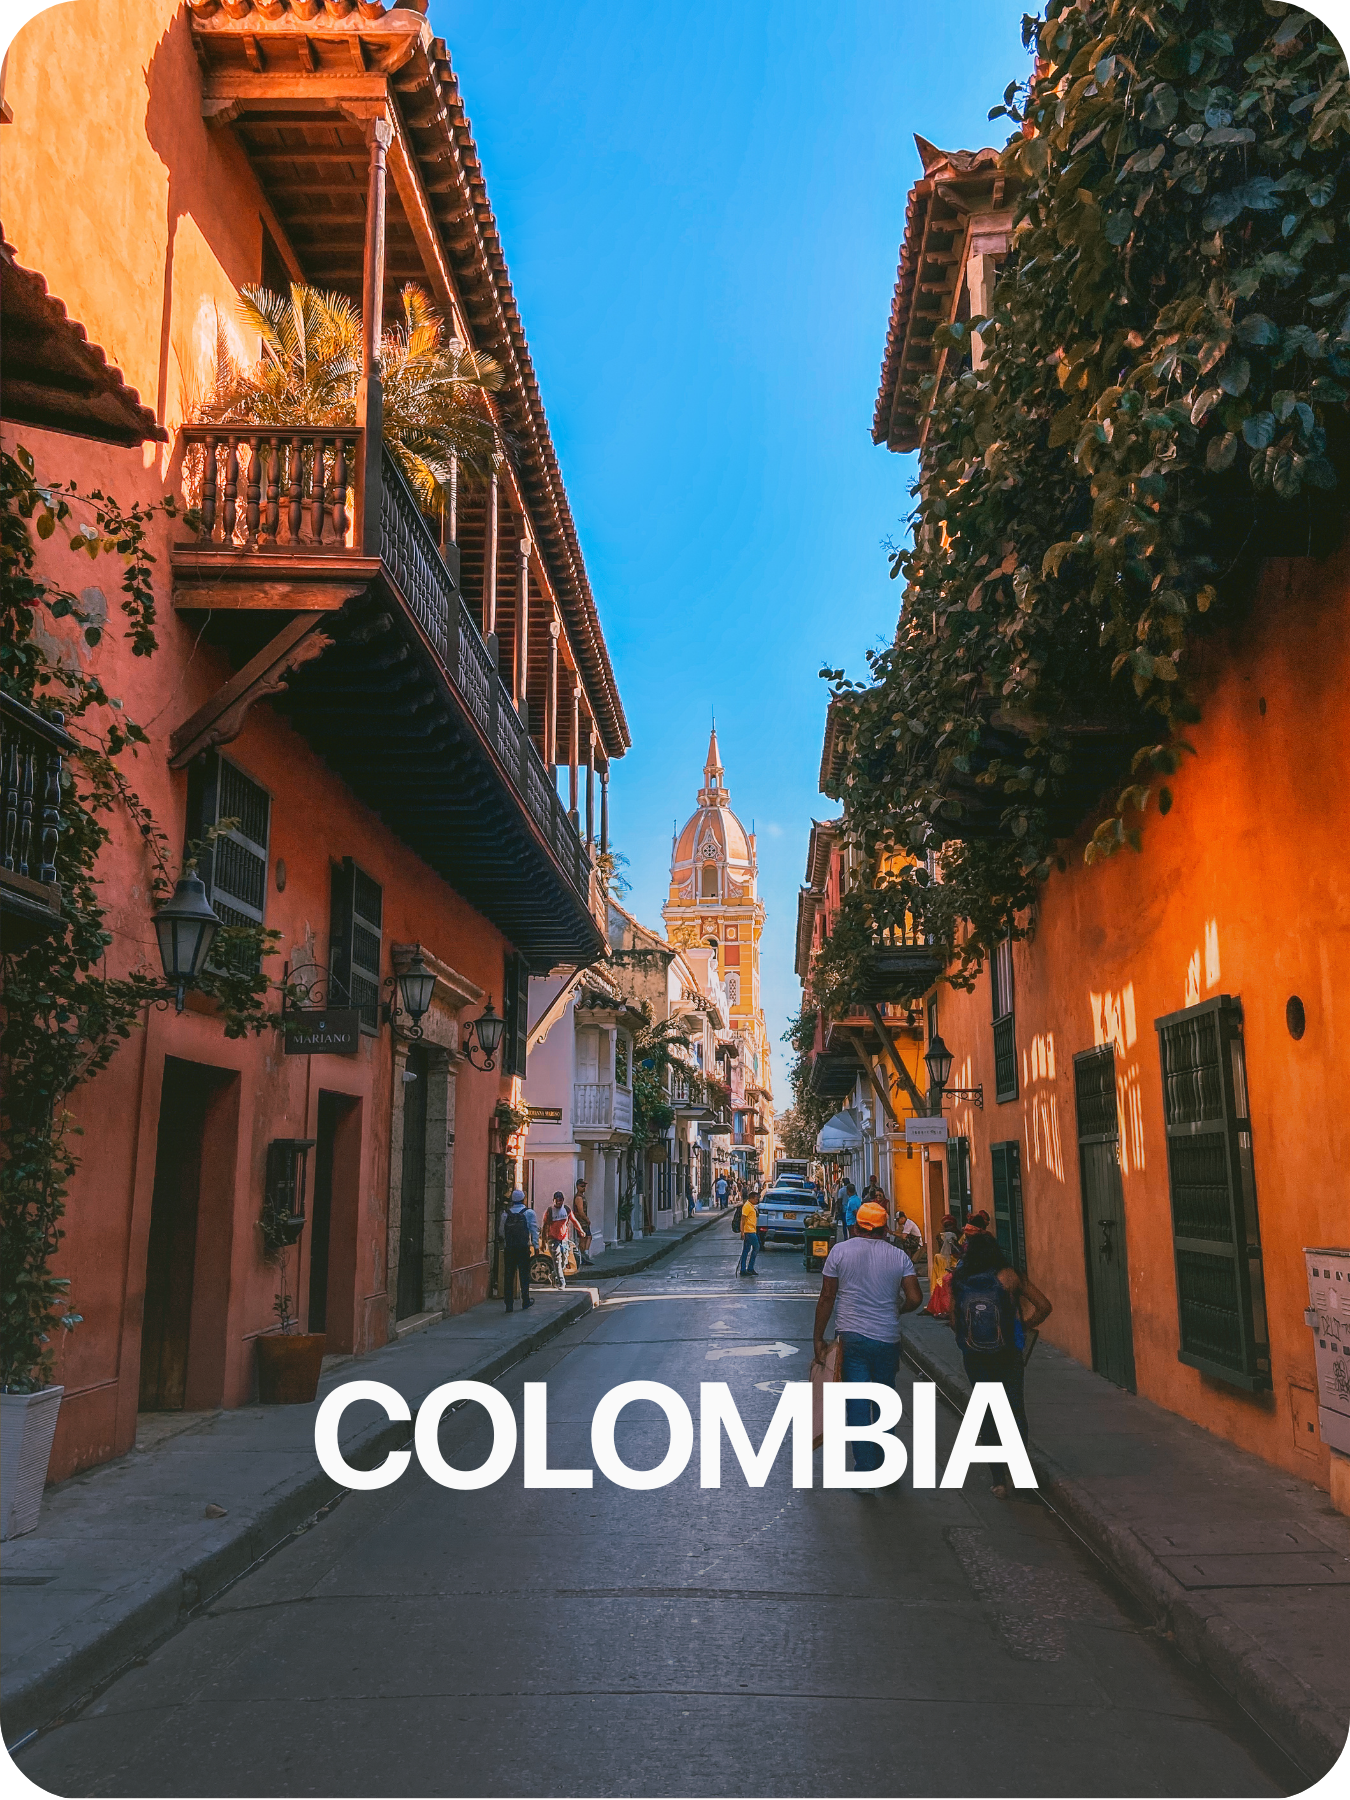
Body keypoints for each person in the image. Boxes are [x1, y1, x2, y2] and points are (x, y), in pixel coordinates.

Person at [813, 1199, 923, 1473]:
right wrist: (897, 1309)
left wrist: (818, 1337)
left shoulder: (840, 1252)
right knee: (884, 1399)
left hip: (852, 1339)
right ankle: (887, 1464)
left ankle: (865, 1470)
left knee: (859, 1404)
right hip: (887, 1339)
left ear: (856, 1225)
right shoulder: (899, 1257)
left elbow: (827, 1296)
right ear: (885, 1229)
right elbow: (915, 1298)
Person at [948, 1233, 1052, 1498]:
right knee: (1015, 1410)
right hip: (1008, 1352)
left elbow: (953, 1320)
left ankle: (998, 1481)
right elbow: (1044, 1306)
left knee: (987, 1412)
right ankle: (1019, 1475)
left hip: (975, 1356)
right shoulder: (1010, 1276)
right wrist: (1023, 1325)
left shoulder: (960, 1280)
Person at [498, 1189, 538, 1313]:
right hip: (523, 1248)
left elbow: (501, 1232)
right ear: (523, 1199)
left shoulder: (506, 1214)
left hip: (510, 1248)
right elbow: (533, 1230)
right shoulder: (529, 1213)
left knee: (509, 1276)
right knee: (524, 1275)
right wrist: (536, 1246)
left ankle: (508, 1304)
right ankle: (525, 1300)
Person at [542, 1191, 578, 1288]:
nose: (559, 1203)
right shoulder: (550, 1211)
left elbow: (574, 1221)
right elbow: (545, 1227)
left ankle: (553, 1275)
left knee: (564, 1262)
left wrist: (581, 1230)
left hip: (564, 1239)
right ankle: (562, 1282)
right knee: (557, 1261)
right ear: (553, 1200)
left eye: (561, 1201)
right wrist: (543, 1242)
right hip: (553, 1239)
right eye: (557, 1201)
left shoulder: (566, 1210)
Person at [571, 1179, 594, 1266]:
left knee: (586, 1237)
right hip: (581, 1221)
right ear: (577, 1187)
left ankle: (584, 1255)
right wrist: (586, 1219)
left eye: (584, 1186)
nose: (584, 1188)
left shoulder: (581, 1196)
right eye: (582, 1186)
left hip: (582, 1221)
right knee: (585, 1237)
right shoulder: (579, 1198)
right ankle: (583, 1255)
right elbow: (580, 1211)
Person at [737, 1191, 760, 1277]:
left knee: (746, 1250)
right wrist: (742, 1232)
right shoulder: (747, 1206)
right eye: (756, 1199)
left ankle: (744, 1269)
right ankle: (749, 1267)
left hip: (751, 1230)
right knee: (756, 1247)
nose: (757, 1201)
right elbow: (742, 1220)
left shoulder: (751, 1206)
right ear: (751, 1198)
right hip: (749, 1231)